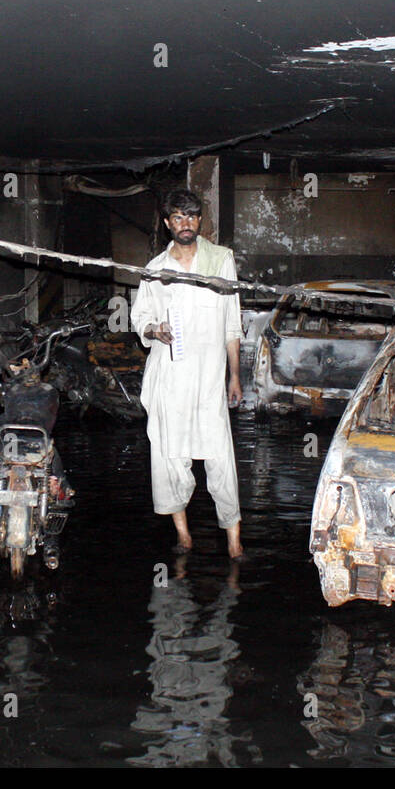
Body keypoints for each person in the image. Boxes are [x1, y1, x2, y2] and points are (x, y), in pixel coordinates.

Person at [130, 189, 244, 558]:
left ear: (200, 221)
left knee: (220, 459)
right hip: (170, 378)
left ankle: (234, 541)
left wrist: (235, 376)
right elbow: (140, 319)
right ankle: (184, 536)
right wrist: (154, 331)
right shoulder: (155, 270)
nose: (186, 224)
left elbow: (231, 323)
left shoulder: (221, 260)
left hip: (209, 379)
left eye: (192, 217)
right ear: (167, 224)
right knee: (169, 457)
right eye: (178, 217)